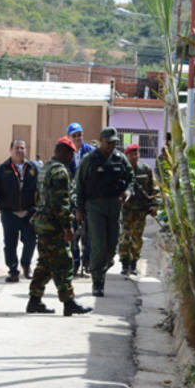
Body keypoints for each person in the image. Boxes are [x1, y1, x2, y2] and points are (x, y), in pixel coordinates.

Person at [26, 137, 92, 317]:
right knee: (64, 262)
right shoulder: (60, 172)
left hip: (42, 222)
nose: (72, 157)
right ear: (62, 151)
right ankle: (68, 302)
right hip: (54, 225)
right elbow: (60, 203)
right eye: (70, 153)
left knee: (46, 262)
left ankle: (34, 300)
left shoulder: (45, 168)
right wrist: (67, 227)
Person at [75, 126, 134, 297]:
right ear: (101, 141)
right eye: (108, 142)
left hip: (114, 206)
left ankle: (100, 267)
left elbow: (131, 178)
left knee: (112, 246)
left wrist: (128, 192)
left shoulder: (120, 158)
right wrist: (79, 208)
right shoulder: (89, 159)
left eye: (114, 142)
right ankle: (97, 281)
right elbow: (79, 184)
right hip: (94, 207)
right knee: (99, 244)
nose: (111, 146)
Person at [0, 139, 38, 282]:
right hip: (9, 213)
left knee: (31, 241)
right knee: (10, 243)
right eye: (17, 148)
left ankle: (26, 266)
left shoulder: (33, 168)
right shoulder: (2, 169)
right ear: (10, 150)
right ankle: (13, 270)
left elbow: (41, 190)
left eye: (22, 148)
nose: (20, 151)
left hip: (29, 213)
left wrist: (39, 208)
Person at [118, 144, 159, 276]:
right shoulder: (122, 170)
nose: (135, 156)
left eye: (137, 153)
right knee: (125, 236)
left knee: (137, 238)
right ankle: (124, 263)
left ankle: (133, 264)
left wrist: (154, 205)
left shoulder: (145, 169)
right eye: (132, 154)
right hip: (126, 210)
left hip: (141, 210)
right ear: (127, 156)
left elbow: (154, 189)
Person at [66, 122, 95, 277]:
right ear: (69, 137)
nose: (77, 138)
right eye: (74, 135)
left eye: (79, 135)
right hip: (71, 202)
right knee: (72, 235)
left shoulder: (91, 152)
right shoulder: (66, 152)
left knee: (89, 235)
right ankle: (75, 263)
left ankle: (87, 262)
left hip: (89, 201)